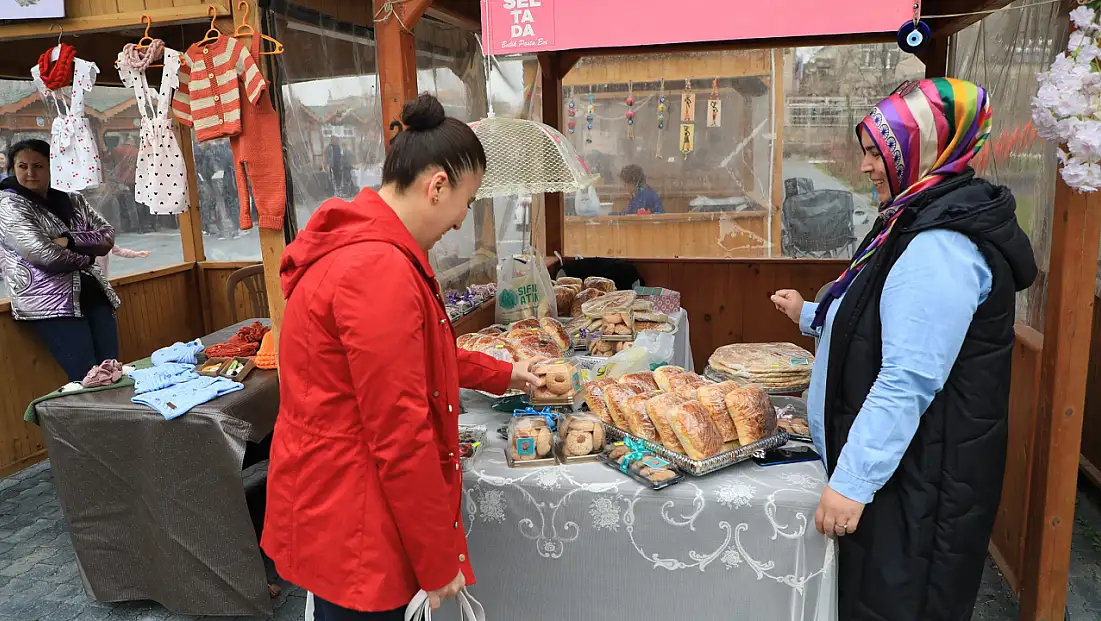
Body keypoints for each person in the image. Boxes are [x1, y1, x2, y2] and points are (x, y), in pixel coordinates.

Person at [261, 93, 545, 620]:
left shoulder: (366, 247)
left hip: (337, 501)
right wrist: (439, 562)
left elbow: (423, 354)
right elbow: (399, 431)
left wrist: (508, 373)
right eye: (468, 200)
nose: (462, 220)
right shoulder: (376, 270)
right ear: (436, 186)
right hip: (356, 518)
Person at [770, 78, 1036, 621]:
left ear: (924, 151)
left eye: (876, 154)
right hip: (904, 473)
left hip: (919, 485)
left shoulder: (940, 243)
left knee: (898, 603)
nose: (866, 167)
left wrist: (852, 482)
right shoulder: (913, 217)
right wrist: (807, 315)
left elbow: (908, 376)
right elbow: (870, 312)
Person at [0, 139, 121, 382]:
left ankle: (116, 420)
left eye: (38, 166)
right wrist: (89, 254)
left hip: (94, 294)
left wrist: (67, 240)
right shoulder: (8, 204)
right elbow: (44, 255)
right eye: (22, 166)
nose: (30, 173)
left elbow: (107, 236)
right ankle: (91, 420)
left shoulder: (72, 199)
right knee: (86, 377)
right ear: (13, 169)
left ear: (51, 166)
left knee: (113, 370)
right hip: (50, 303)